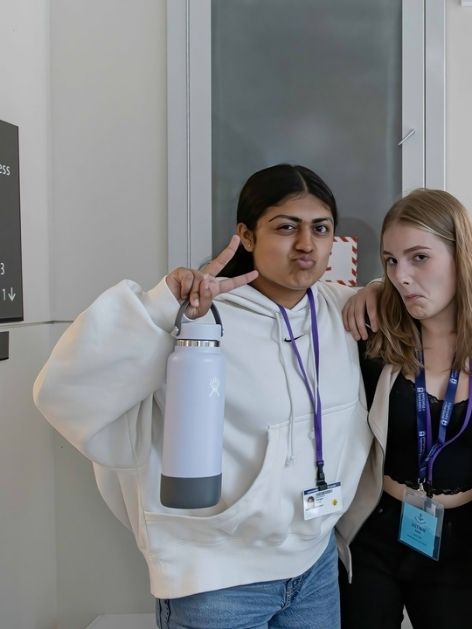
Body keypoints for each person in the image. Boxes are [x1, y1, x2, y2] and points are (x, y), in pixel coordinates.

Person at [33, 164, 372, 629]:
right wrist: (159, 307)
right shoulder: (196, 315)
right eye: (286, 227)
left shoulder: (341, 308)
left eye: (321, 228)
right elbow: (64, 392)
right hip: (216, 580)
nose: (306, 245)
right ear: (246, 236)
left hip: (315, 565)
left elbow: (447, 295)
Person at [335, 189, 472, 629]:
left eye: (419, 257)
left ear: (461, 255)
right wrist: (370, 287)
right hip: (372, 535)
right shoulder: (373, 336)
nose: (402, 277)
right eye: (390, 261)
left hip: (456, 545)